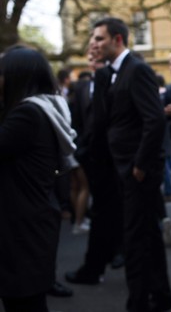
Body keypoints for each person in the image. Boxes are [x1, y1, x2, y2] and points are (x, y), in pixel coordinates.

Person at [90, 17, 171, 312]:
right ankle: (161, 296)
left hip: (138, 170)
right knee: (146, 233)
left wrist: (139, 165)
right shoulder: (112, 73)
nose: (94, 44)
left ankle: (137, 302)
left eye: (99, 39)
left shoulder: (137, 69)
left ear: (118, 39)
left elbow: (154, 120)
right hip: (123, 166)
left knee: (135, 238)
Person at [0, 47, 77, 312]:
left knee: (24, 303)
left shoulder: (26, 115)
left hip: (22, 225)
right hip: (34, 218)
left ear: (16, 76)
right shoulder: (44, 108)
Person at [65, 42, 125, 285]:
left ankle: (112, 255)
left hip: (114, 160)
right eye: (91, 55)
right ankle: (98, 262)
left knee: (113, 211)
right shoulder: (81, 87)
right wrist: (81, 150)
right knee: (103, 211)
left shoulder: (117, 80)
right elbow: (78, 120)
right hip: (92, 157)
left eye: (98, 54)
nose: (94, 58)